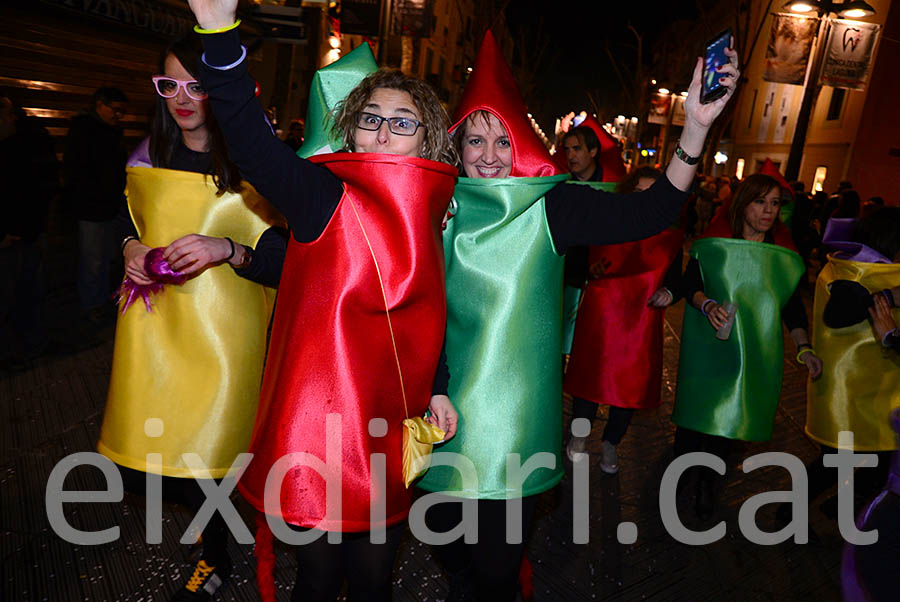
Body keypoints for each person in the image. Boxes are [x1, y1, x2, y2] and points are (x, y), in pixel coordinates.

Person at [416, 30, 738, 601]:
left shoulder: (552, 206)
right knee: (441, 534)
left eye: (503, 139)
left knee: (495, 569)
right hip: (435, 407)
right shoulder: (432, 205)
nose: (489, 156)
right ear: (456, 145)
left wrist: (694, 127)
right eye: (476, 140)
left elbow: (651, 210)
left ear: (522, 145)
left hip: (513, 421)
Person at [186, 1, 459, 600]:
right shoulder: (322, 196)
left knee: (372, 579)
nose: (384, 130)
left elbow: (421, 311)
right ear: (351, 128)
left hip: (387, 426)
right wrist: (217, 31)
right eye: (371, 117)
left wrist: (438, 384)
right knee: (318, 577)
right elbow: (253, 145)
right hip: (322, 429)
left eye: (402, 120)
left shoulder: (432, 216)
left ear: (427, 139)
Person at [96, 35, 284, 602]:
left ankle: (218, 553)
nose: (182, 97)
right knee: (153, 457)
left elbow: (281, 254)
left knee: (217, 450)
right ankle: (219, 535)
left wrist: (226, 249)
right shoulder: (145, 157)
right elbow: (125, 218)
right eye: (169, 85)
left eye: (197, 85)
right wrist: (130, 247)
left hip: (228, 334)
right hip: (157, 330)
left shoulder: (255, 160)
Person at [671, 173, 823, 520]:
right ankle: (682, 477)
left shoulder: (781, 256)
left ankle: (708, 485)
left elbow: (792, 307)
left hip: (750, 357)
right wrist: (707, 304)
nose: (769, 211)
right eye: (760, 202)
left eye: (775, 204)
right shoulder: (714, 243)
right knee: (693, 423)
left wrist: (805, 348)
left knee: (730, 424)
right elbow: (690, 282)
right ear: (743, 204)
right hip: (708, 350)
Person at [564, 166, 685, 473]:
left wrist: (669, 293)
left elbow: (676, 278)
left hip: (641, 323)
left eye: (651, 194)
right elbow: (575, 260)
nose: (644, 200)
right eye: (638, 193)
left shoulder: (669, 237)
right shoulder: (605, 223)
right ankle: (579, 437)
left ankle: (611, 444)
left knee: (629, 389)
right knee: (590, 384)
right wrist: (588, 272)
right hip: (601, 318)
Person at [801, 207, 900, 519]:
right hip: (849, 393)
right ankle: (789, 513)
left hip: (875, 389)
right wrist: (889, 296)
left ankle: (842, 507)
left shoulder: (875, 270)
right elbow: (838, 314)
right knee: (835, 462)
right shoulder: (856, 272)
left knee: (881, 460)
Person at [0, 97, 58, 370]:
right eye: (9, 114)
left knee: (29, 294)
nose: (13, 119)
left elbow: (37, 189)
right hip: (13, 236)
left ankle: (29, 347)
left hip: (27, 232)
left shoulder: (21, 145)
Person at [63, 86, 129, 324]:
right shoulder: (83, 131)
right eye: (115, 109)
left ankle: (101, 300)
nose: (119, 115)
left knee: (106, 258)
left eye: (123, 111)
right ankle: (92, 305)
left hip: (110, 207)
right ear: (99, 104)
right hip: (91, 209)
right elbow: (75, 172)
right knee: (93, 260)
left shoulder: (112, 132)